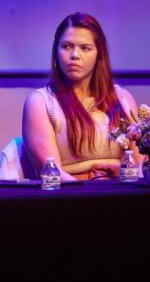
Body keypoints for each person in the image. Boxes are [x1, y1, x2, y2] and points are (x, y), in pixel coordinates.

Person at [22, 12, 143, 181]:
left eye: (85, 48)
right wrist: (90, 194)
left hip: (121, 194)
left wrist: (124, 174)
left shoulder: (123, 98)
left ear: (99, 54)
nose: (74, 55)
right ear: (56, 51)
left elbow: (141, 167)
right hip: (71, 198)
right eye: (67, 46)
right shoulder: (41, 102)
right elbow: (52, 174)